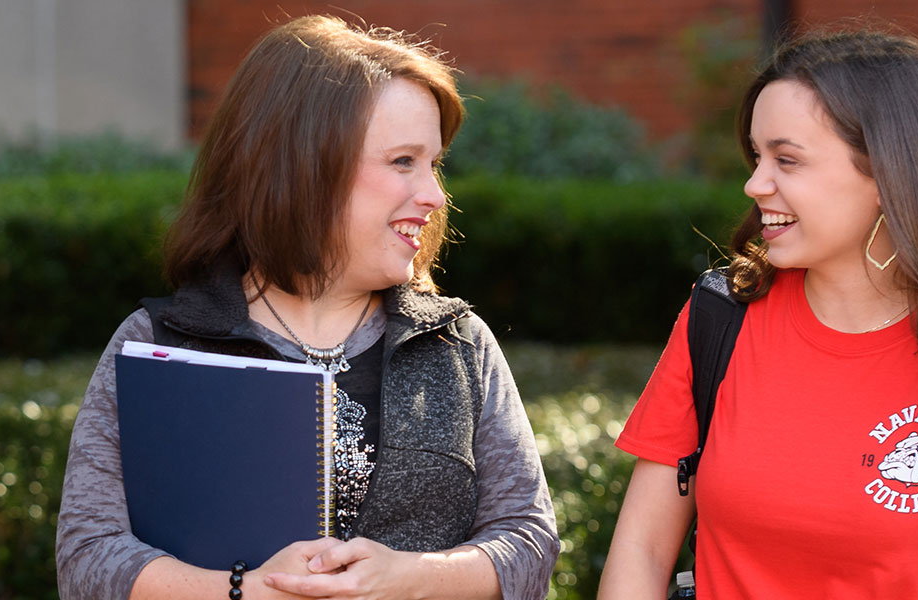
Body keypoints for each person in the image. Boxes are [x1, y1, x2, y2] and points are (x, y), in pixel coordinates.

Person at [56, 15, 557, 600]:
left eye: (433, 163)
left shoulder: (460, 344)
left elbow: (529, 540)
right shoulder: (155, 343)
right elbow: (88, 558)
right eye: (402, 162)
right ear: (302, 168)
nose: (435, 195)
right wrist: (245, 592)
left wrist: (412, 579)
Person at [599, 29, 918, 599]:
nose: (755, 183)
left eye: (786, 159)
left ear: (890, 174)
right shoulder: (719, 318)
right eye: (757, 156)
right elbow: (639, 556)